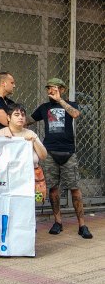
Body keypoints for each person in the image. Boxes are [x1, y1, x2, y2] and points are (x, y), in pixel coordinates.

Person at [30, 78, 92, 239]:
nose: (51, 91)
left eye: (55, 88)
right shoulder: (44, 108)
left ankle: (82, 225)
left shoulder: (71, 105)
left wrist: (60, 101)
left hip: (68, 152)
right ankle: (58, 222)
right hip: (50, 152)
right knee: (53, 189)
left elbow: (76, 114)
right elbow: (28, 120)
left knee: (75, 189)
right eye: (49, 88)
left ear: (62, 90)